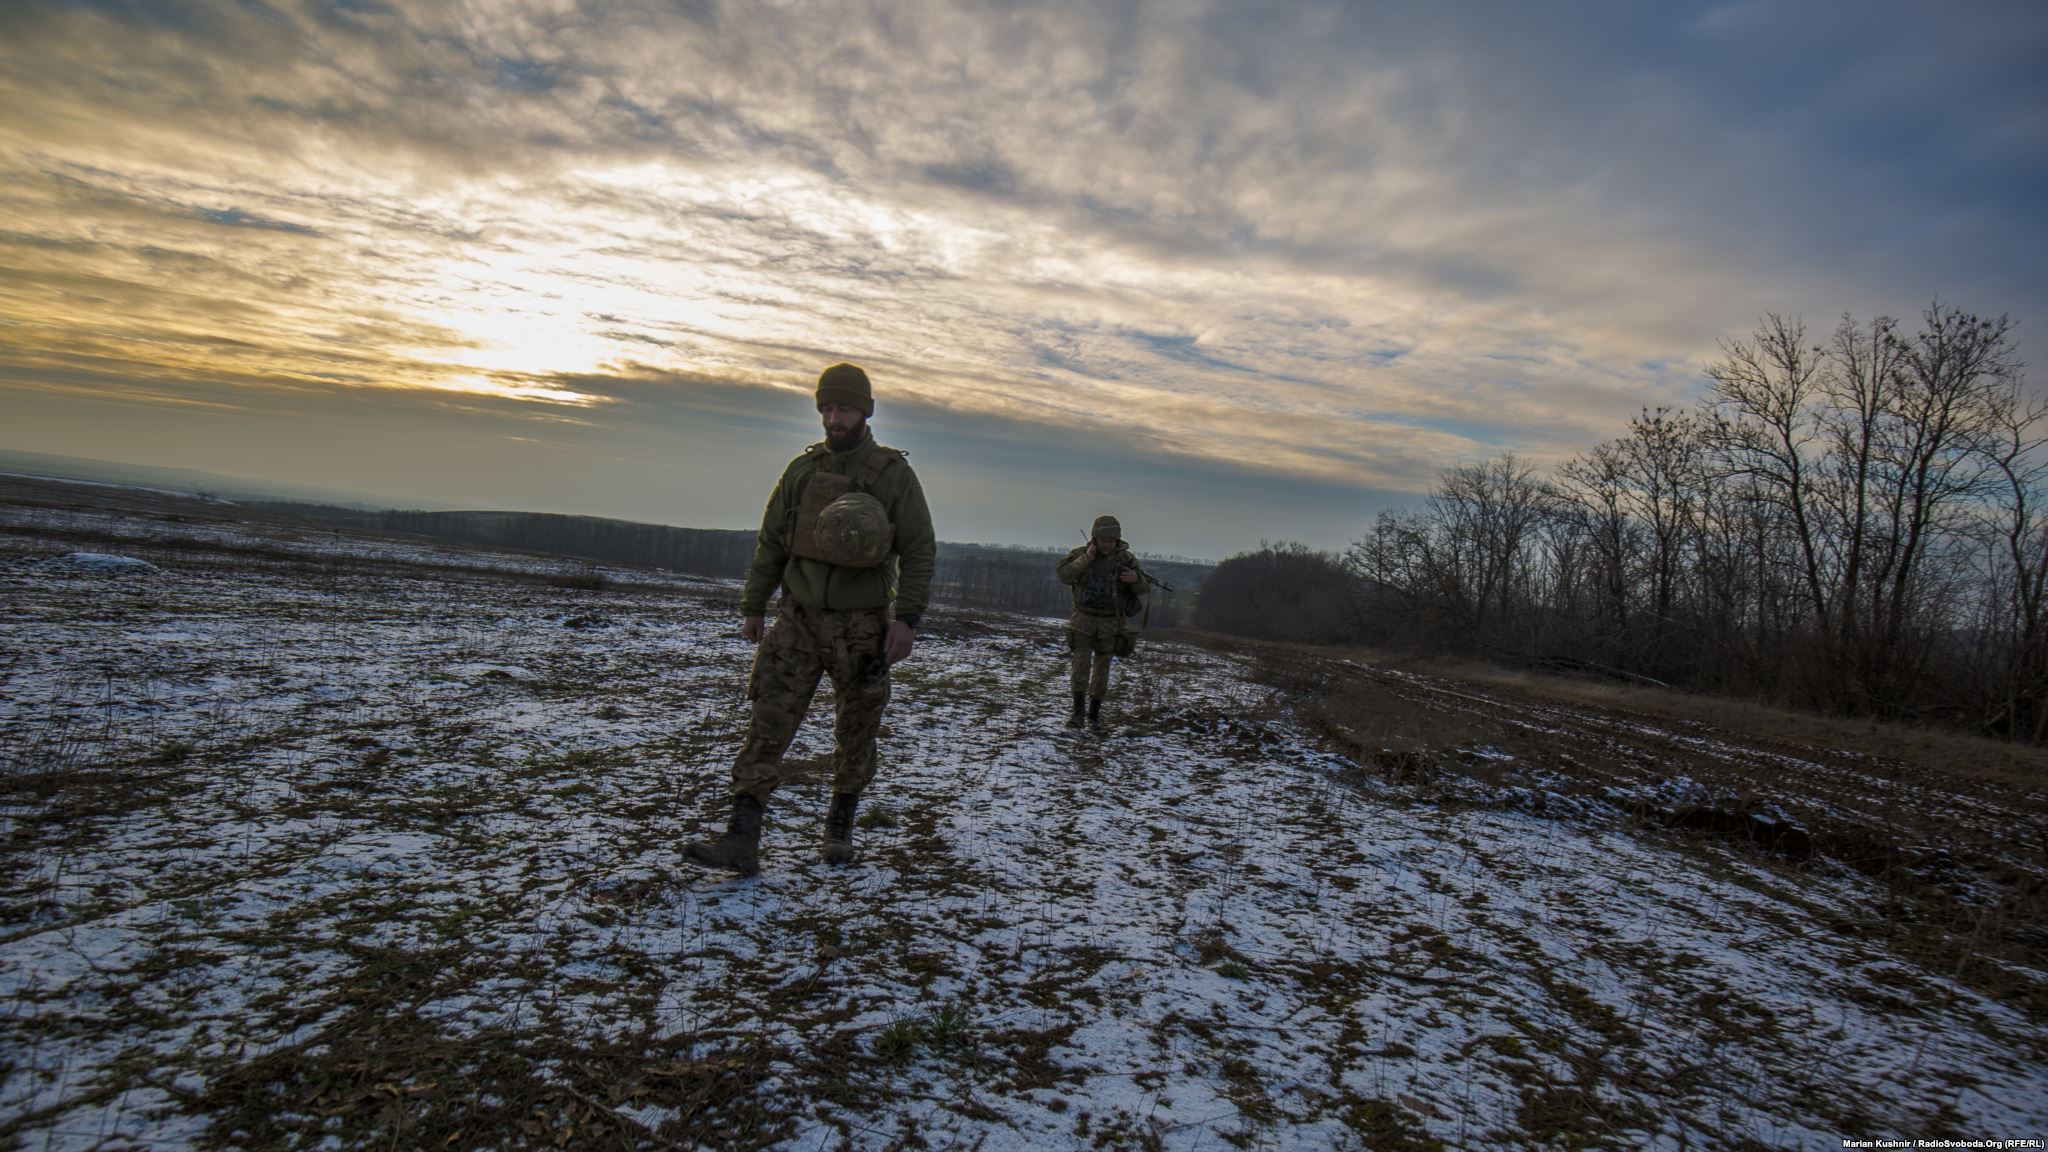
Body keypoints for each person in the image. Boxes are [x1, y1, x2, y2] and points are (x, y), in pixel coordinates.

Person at [683, 363, 935, 875]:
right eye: (826, 407)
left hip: (862, 625)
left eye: (843, 407)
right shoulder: (802, 470)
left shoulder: (894, 476)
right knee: (768, 722)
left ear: (865, 411)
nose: (833, 417)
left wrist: (906, 619)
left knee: (858, 727)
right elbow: (773, 539)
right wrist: (754, 604)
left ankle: (839, 829)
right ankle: (742, 839)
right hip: (796, 620)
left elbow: (919, 548)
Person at [1055, 515, 1145, 730]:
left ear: (1117, 541)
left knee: (1102, 670)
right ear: (1095, 538)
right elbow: (1064, 575)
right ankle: (1078, 713)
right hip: (1083, 619)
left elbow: (1143, 590)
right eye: (1103, 539)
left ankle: (1094, 715)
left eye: (1111, 540)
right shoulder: (1080, 554)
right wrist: (1085, 559)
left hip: (1110, 623)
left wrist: (1135, 580)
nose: (1107, 544)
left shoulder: (1127, 560)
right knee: (1080, 665)